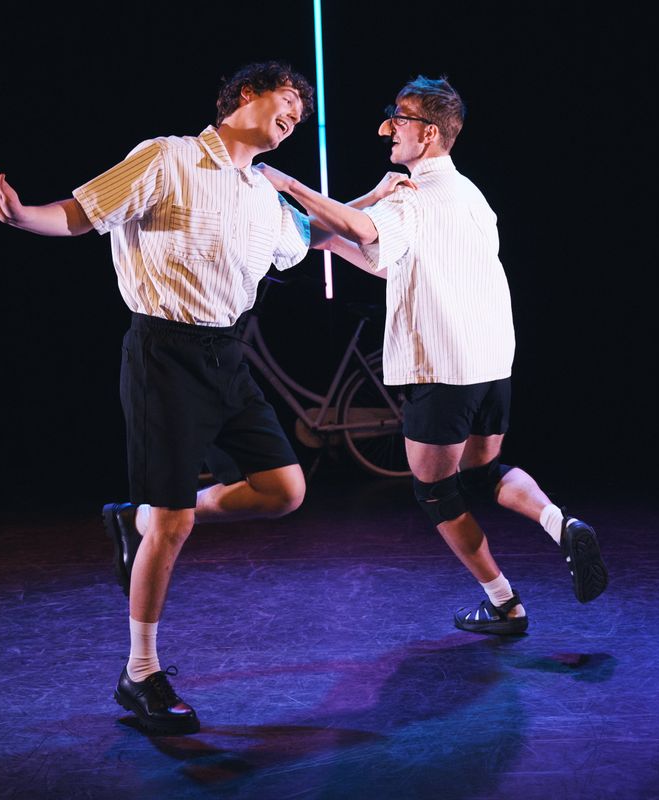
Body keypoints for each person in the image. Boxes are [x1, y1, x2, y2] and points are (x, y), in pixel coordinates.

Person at [0, 62, 316, 734]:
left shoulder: (263, 193)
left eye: (301, 111)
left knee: (284, 491)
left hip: (227, 356)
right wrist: (19, 215)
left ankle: (139, 520)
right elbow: (81, 214)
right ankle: (141, 672)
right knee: (175, 522)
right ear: (246, 95)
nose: (295, 114)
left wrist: (374, 215)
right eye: (287, 99)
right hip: (164, 354)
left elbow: (308, 240)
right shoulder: (167, 157)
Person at [255, 75, 607, 636]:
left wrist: (287, 183)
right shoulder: (472, 196)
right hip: (492, 365)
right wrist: (330, 240)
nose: (386, 128)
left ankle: (504, 603)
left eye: (399, 117)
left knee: (436, 491)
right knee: (482, 472)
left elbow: (366, 227)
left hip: (442, 370)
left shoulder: (413, 196)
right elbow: (394, 261)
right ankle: (561, 524)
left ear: (429, 134)